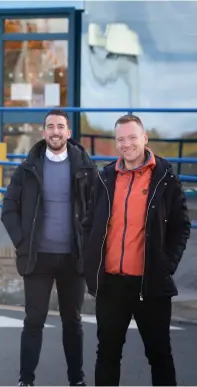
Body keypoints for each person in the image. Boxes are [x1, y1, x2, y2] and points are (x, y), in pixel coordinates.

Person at [81, 114, 191, 386]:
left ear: (145, 138)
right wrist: (89, 262)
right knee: (106, 355)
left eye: (132, 137)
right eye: (120, 139)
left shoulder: (165, 177)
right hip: (110, 285)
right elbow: (88, 223)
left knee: (159, 356)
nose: (126, 144)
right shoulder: (105, 176)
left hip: (150, 285)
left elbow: (181, 227)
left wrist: (165, 267)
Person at [1, 109, 96, 386]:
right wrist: (22, 241)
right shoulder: (28, 168)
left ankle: (76, 380)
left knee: (73, 322)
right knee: (33, 321)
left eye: (60, 127)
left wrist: (88, 244)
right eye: (50, 127)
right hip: (37, 258)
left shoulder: (85, 168)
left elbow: (98, 209)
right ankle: (26, 380)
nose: (55, 131)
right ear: (43, 133)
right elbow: (9, 208)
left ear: (68, 133)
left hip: (72, 258)